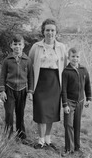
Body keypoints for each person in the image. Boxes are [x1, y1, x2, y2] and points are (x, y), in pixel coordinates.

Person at [28, 18, 67, 150]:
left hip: (55, 83)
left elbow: (65, 66)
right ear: (43, 32)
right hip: (40, 82)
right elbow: (29, 65)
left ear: (56, 32)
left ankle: (48, 140)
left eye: (52, 30)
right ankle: (40, 141)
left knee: (51, 112)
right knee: (41, 112)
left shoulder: (61, 47)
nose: (50, 33)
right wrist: (31, 87)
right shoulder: (36, 47)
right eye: (47, 30)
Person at [0, 34, 33, 141]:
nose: (17, 47)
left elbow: (31, 76)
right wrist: (2, 90)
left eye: (19, 44)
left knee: (20, 113)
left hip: (22, 90)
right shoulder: (7, 60)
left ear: (23, 46)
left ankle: (21, 135)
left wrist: (30, 91)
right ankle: (8, 135)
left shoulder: (27, 60)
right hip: (9, 89)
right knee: (9, 113)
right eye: (15, 44)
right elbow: (2, 76)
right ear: (11, 46)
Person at [61, 47, 92, 157]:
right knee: (68, 124)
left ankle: (77, 147)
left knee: (77, 124)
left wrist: (88, 98)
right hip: (69, 102)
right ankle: (69, 148)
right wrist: (64, 104)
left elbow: (87, 84)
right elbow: (63, 89)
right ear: (68, 57)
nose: (75, 59)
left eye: (77, 56)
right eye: (73, 56)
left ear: (80, 57)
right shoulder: (66, 72)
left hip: (80, 101)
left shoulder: (83, 70)